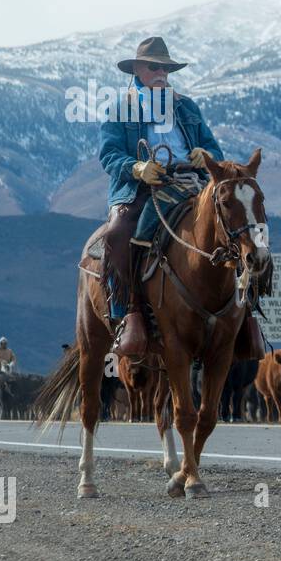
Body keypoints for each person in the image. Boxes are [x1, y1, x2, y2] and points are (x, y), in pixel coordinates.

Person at [99, 36, 223, 356]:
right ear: (138, 69)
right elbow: (109, 155)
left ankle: (243, 311)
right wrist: (138, 168)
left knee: (239, 225)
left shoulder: (186, 106)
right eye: (154, 66)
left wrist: (203, 156)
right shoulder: (121, 108)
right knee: (116, 234)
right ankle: (127, 311)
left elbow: (214, 149)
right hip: (141, 188)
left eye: (166, 68)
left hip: (191, 182)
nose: (161, 73)